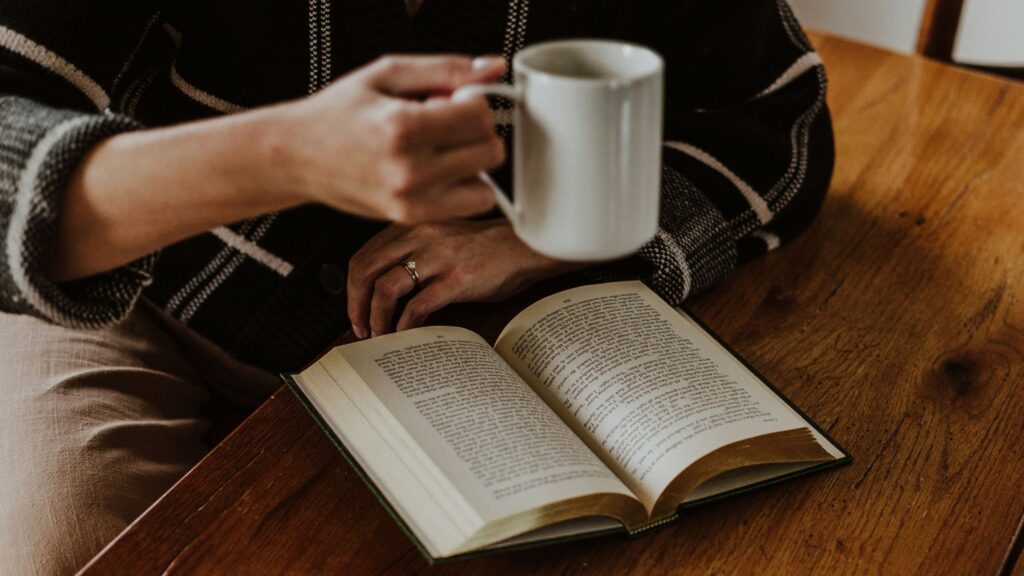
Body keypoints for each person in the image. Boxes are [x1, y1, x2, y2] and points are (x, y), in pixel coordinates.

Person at [0, 0, 834, 573]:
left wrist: (550, 234)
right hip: (145, 292)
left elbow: (778, 128)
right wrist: (282, 155)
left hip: (491, 342)